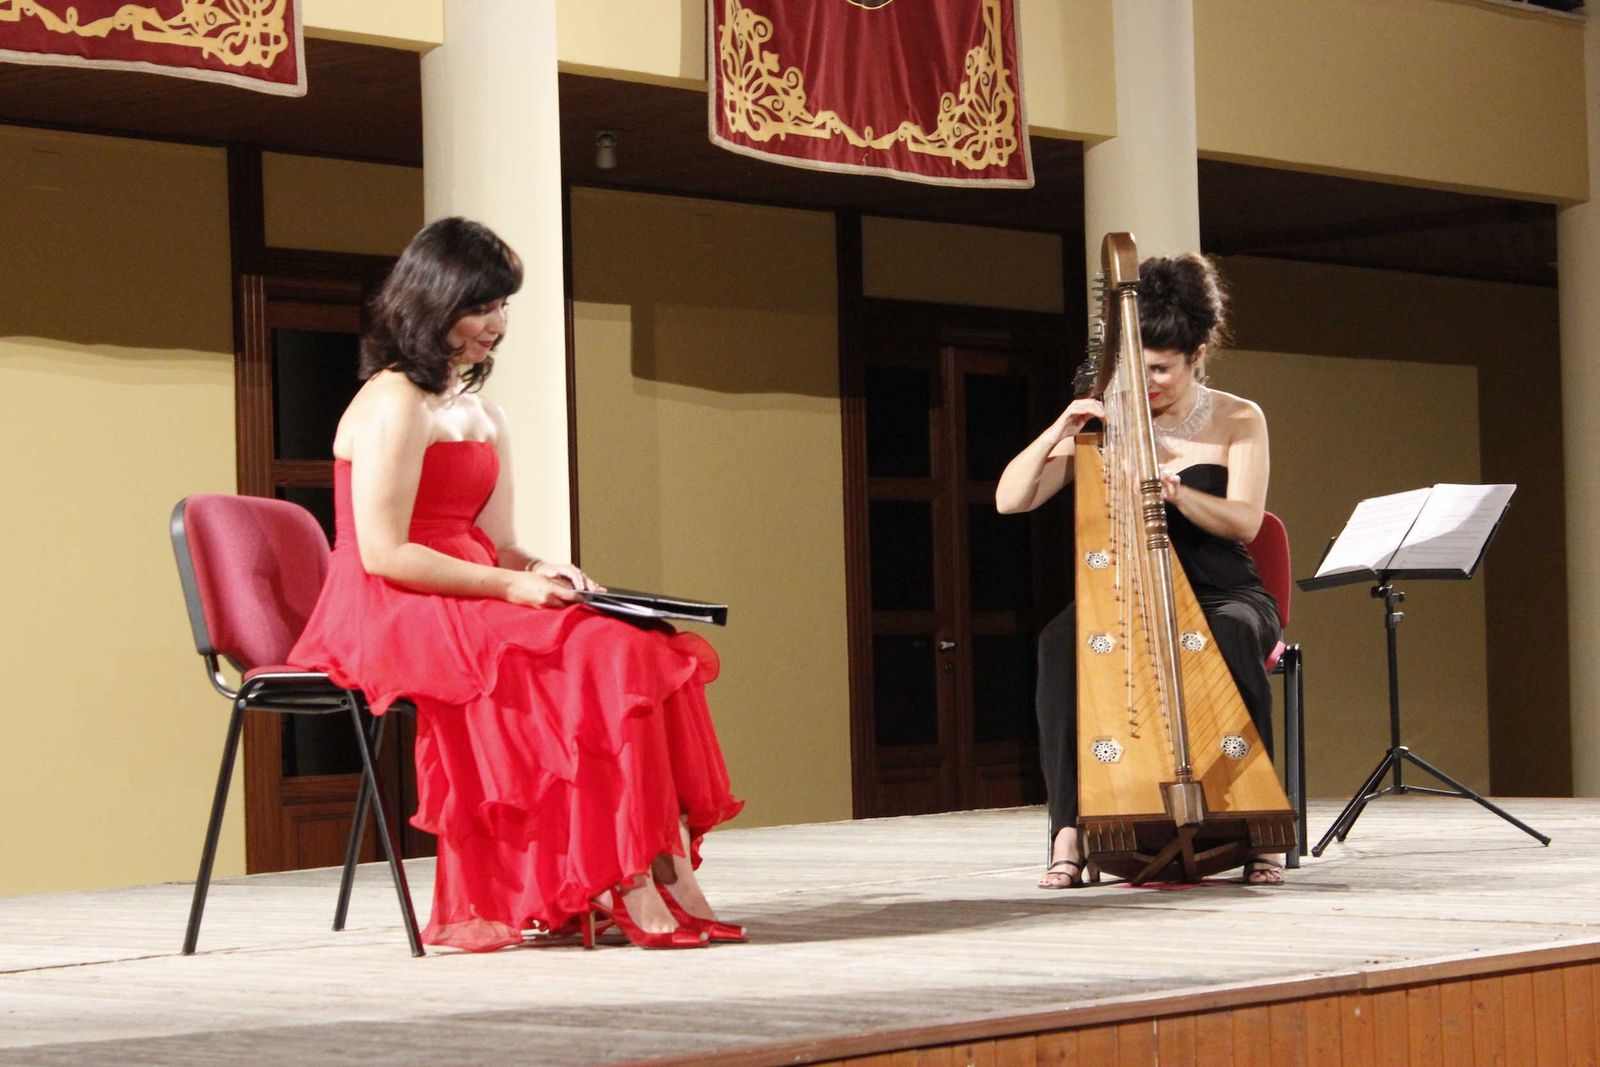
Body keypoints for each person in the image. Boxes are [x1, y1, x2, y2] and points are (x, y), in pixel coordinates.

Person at [288, 217, 744, 951]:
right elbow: (384, 552)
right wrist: (508, 589)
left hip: (471, 581)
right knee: (597, 656)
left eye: (502, 307)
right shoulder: (393, 401)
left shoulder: (480, 411)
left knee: (644, 645)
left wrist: (536, 566)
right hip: (397, 600)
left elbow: (498, 541)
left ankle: (653, 860)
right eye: (482, 307)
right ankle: (617, 872)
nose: (497, 325)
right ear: (432, 304)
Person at [994, 253, 1284, 888]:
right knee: (1057, 644)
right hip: (1129, 598)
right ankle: (1068, 831)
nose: (1148, 381)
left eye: (1162, 369)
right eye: (1138, 366)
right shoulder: (1108, 418)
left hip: (1221, 590)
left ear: (1198, 355)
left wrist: (1175, 494)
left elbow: (1245, 524)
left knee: (1231, 632)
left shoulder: (1239, 418)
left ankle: (1260, 830)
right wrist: (1059, 429)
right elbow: (1011, 499)